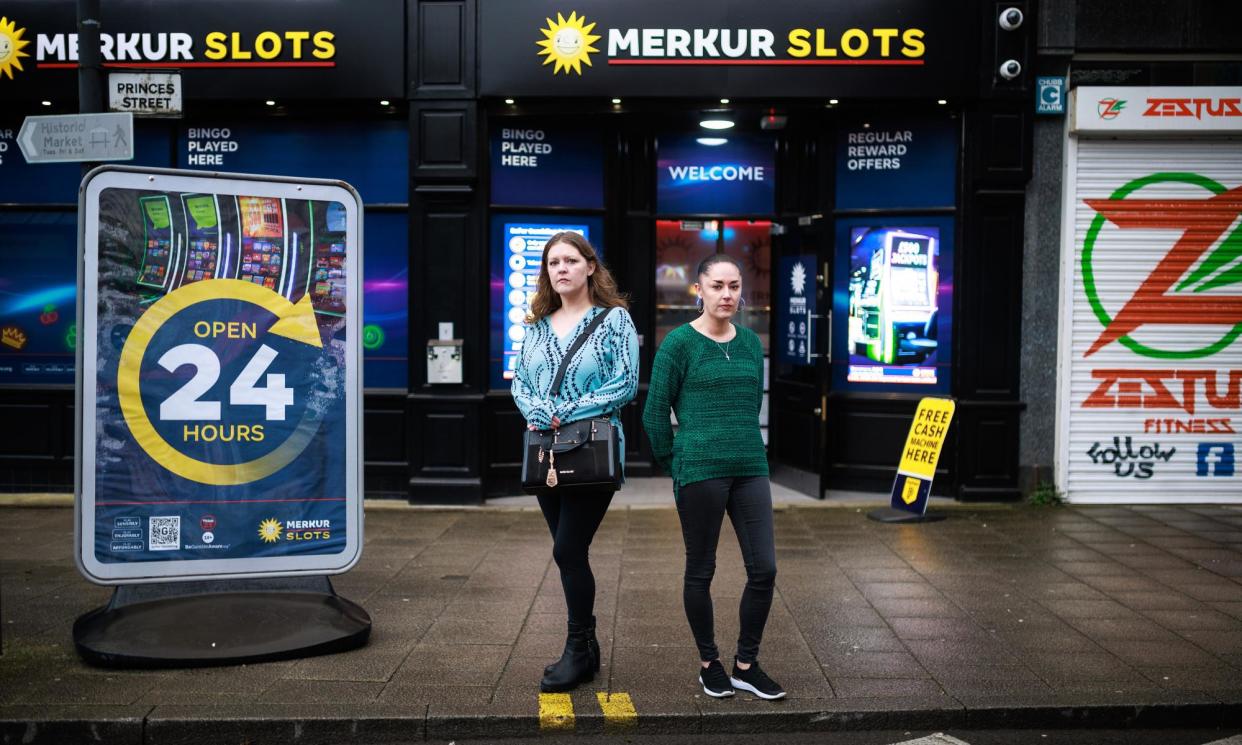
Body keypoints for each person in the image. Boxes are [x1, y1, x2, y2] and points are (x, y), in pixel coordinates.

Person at [641, 253, 786, 701]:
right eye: (718, 286)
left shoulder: (748, 344)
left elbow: (749, 408)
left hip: (749, 467)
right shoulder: (679, 344)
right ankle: (710, 664)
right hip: (699, 469)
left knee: (764, 568)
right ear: (698, 290)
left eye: (735, 286)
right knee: (701, 570)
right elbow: (653, 414)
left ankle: (746, 663)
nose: (727, 294)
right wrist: (677, 461)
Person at [511, 231, 639, 693]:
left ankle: (577, 649)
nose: (560, 269)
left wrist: (568, 409)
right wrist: (535, 410)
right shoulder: (538, 326)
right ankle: (587, 645)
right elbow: (520, 383)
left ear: (590, 267)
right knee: (571, 554)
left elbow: (624, 384)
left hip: (591, 449)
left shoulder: (614, 322)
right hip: (545, 451)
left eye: (569, 260)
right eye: (552, 263)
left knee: (567, 549)